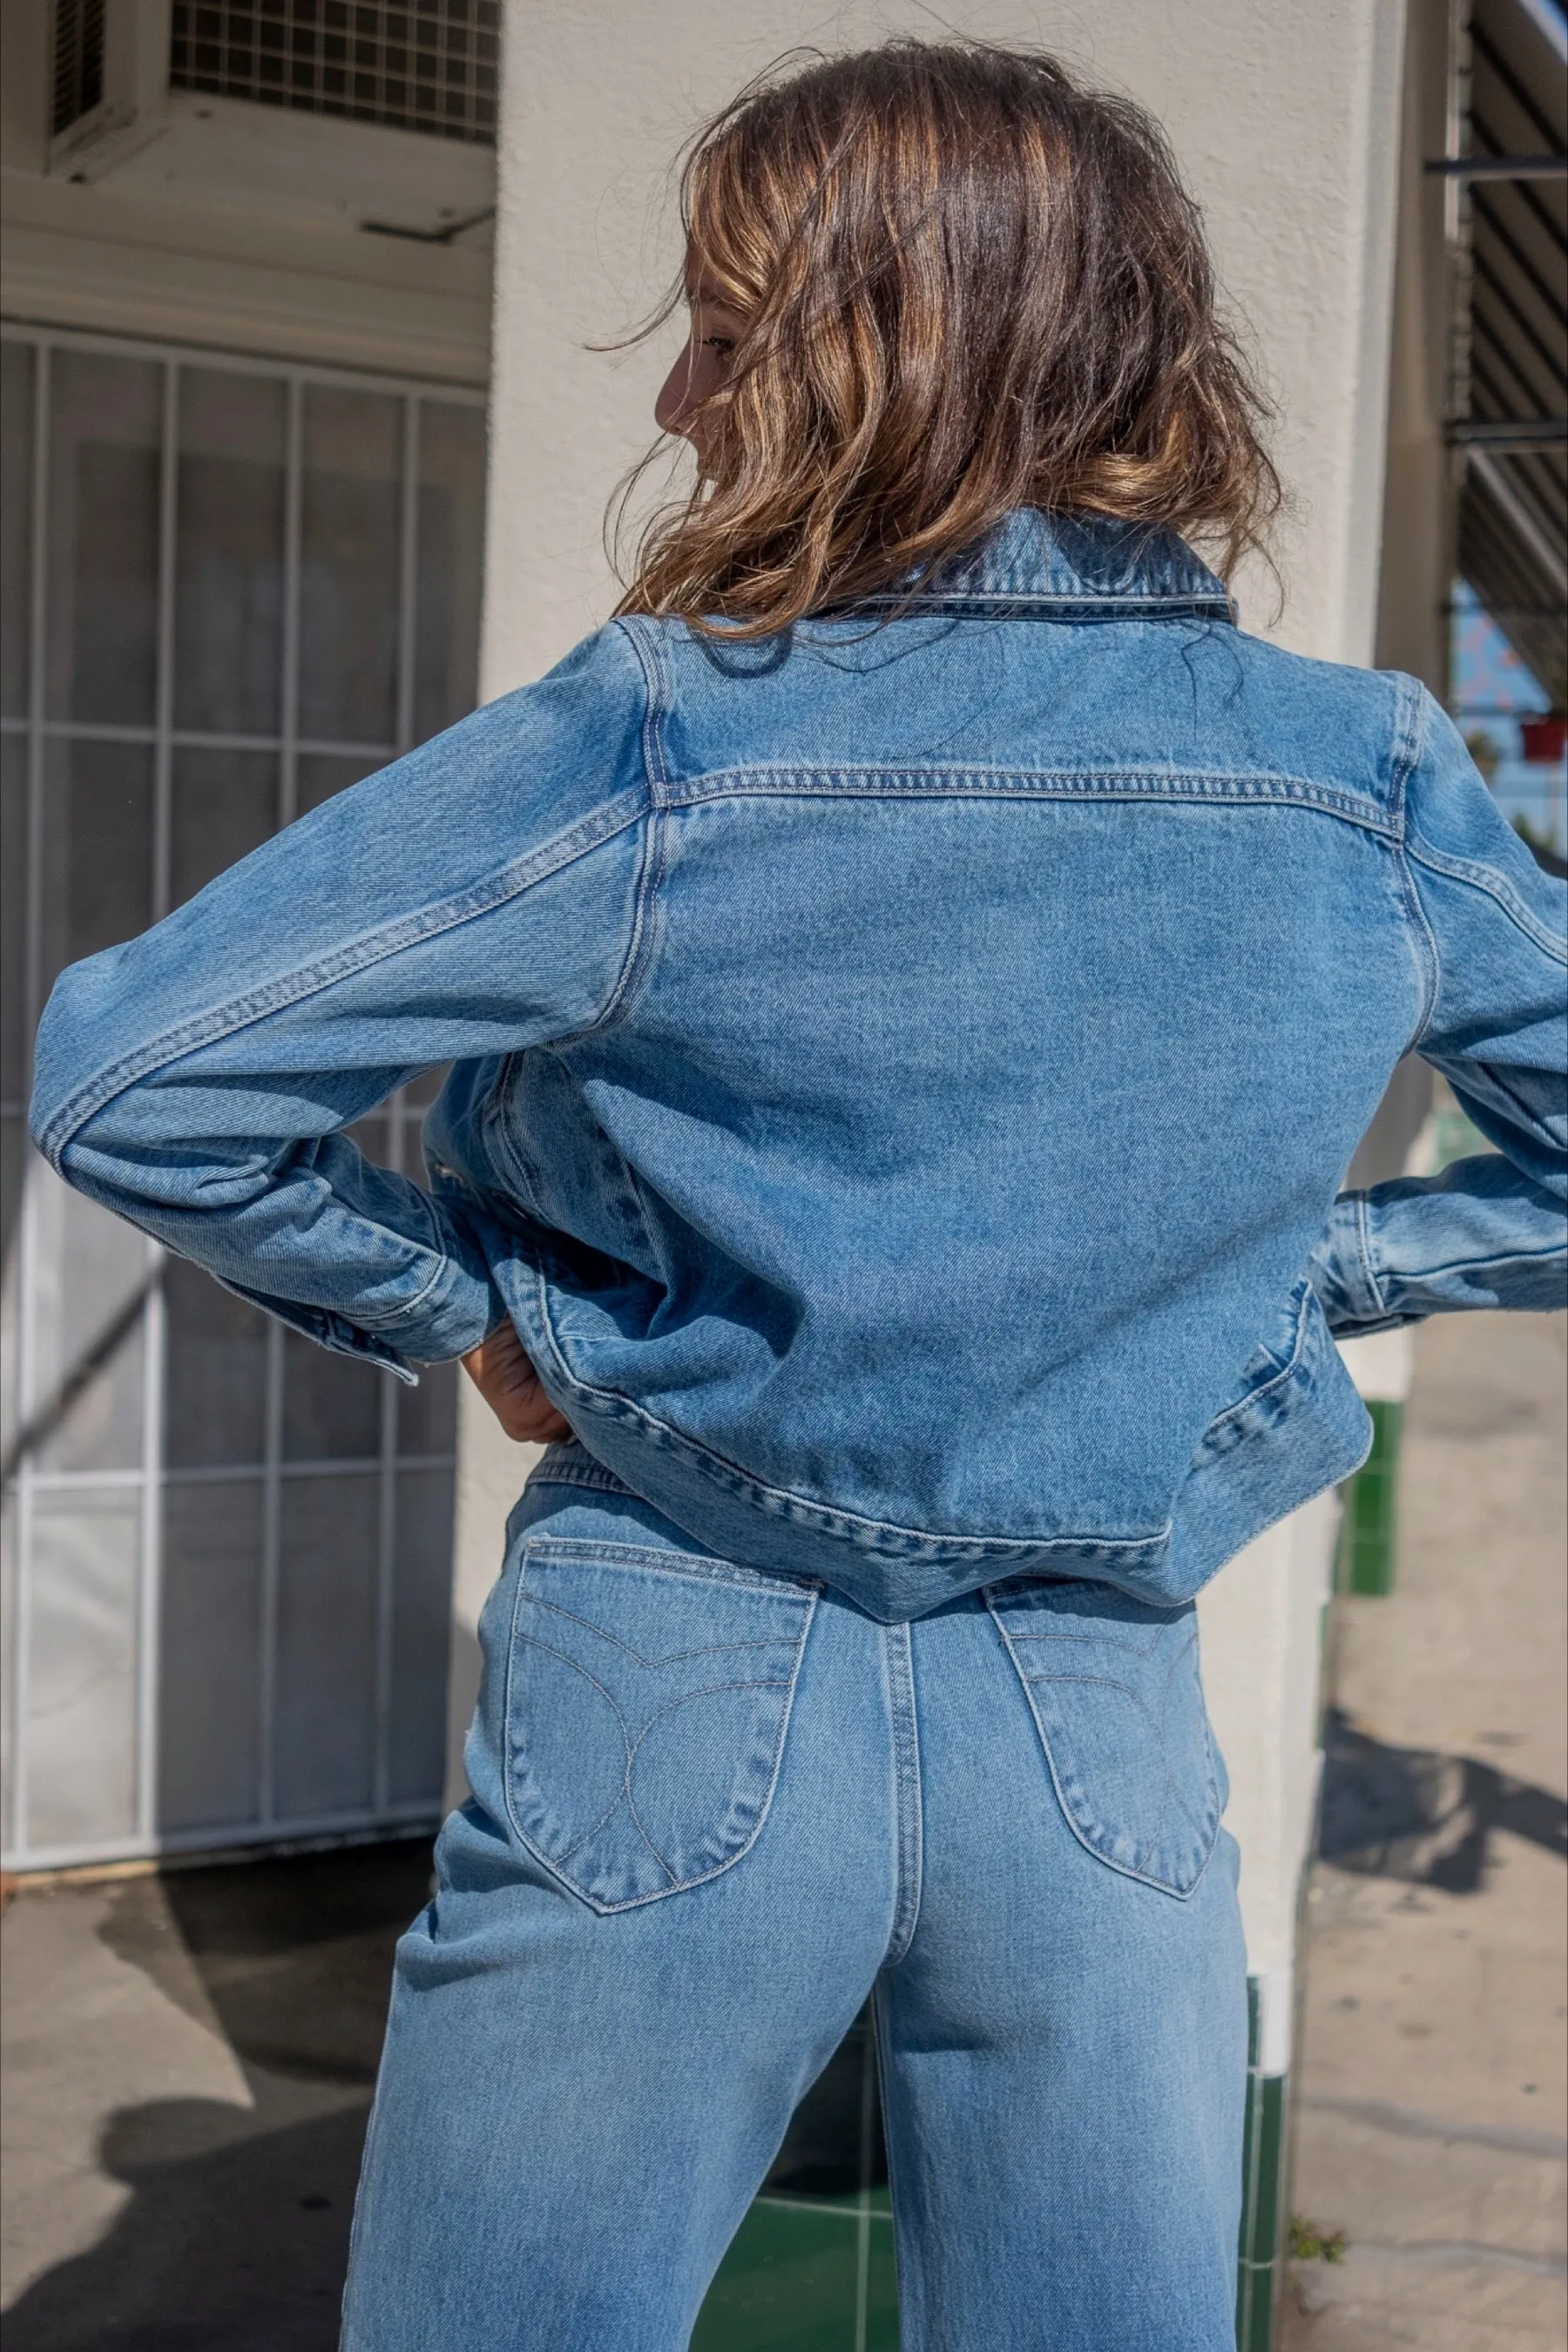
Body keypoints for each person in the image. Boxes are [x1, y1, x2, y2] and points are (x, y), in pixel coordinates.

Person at [29, 41, 1565, 2352]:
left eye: (724, 327)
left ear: (891, 350)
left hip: (680, 1645)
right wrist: (1277, 1293)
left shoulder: (664, 734)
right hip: (1094, 1702)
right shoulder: (1363, 771)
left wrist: (459, 1299)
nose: (676, 398)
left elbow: (134, 1071)